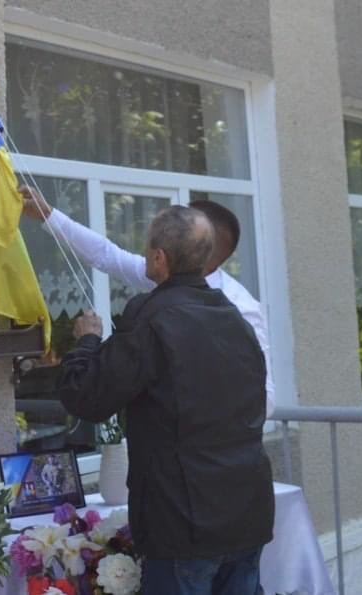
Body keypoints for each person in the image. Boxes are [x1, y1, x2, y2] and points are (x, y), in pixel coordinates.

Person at [57, 205, 273, 595]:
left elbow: (86, 396)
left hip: (184, 523)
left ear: (159, 258)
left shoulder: (152, 317)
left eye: (147, 251)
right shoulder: (237, 315)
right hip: (246, 511)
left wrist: (87, 341)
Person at [20, 186, 275, 416]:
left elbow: (267, 399)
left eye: (178, 226)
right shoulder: (166, 274)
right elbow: (107, 255)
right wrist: (48, 215)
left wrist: (87, 341)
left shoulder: (242, 309)